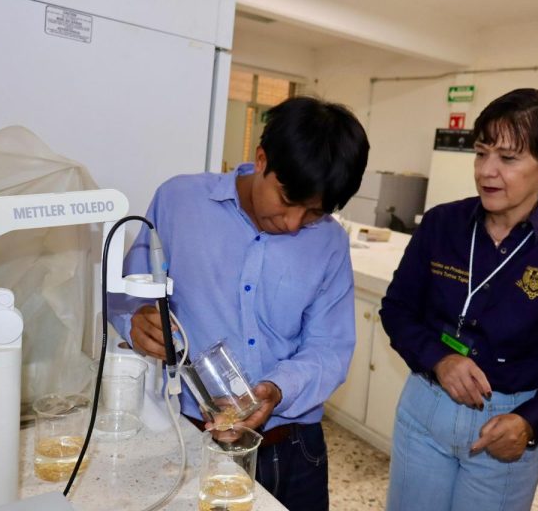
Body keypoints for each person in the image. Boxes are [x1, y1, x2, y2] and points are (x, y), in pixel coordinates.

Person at [108, 96, 369, 511]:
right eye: (287, 200)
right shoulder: (179, 202)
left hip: (292, 448)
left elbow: (330, 348)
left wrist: (276, 390)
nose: (294, 223)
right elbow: (126, 295)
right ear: (261, 159)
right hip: (191, 435)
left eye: (314, 213)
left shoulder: (330, 243)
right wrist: (135, 321)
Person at [380, 88, 538, 511]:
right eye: (481, 153)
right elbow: (397, 310)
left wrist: (530, 422)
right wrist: (439, 358)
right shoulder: (442, 224)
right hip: (425, 410)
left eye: (508, 158)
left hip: (505, 428)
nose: (487, 171)